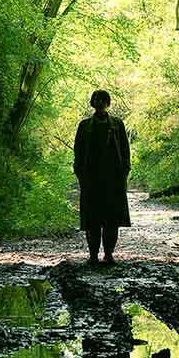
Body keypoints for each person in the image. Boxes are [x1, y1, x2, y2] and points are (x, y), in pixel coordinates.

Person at [73, 89, 131, 264]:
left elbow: (125, 149)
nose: (99, 102)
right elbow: (78, 151)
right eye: (96, 99)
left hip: (113, 179)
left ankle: (109, 254)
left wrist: (125, 170)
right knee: (92, 219)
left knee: (111, 219)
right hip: (91, 179)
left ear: (108, 102)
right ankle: (92, 256)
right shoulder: (84, 125)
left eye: (102, 99)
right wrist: (80, 173)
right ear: (92, 102)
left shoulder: (118, 124)